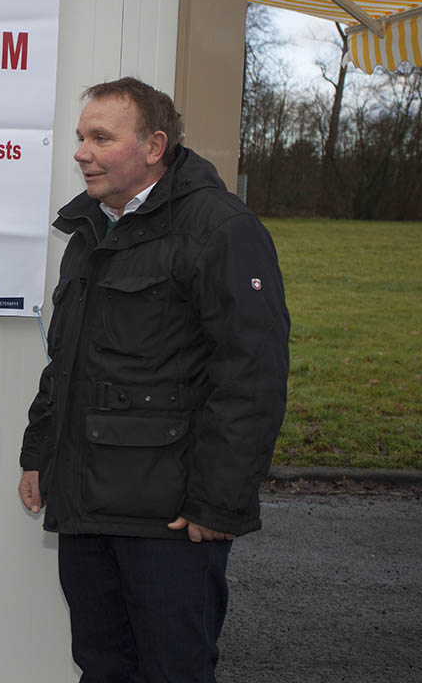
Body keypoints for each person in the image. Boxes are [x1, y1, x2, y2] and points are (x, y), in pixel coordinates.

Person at [18, 77, 289, 682]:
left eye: (100, 137)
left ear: (154, 145)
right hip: (88, 507)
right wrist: (40, 453)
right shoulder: (91, 229)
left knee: (173, 671)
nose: (81, 151)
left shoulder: (221, 230)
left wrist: (219, 503)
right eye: (81, 136)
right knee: (103, 666)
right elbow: (66, 360)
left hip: (171, 521)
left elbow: (252, 377)